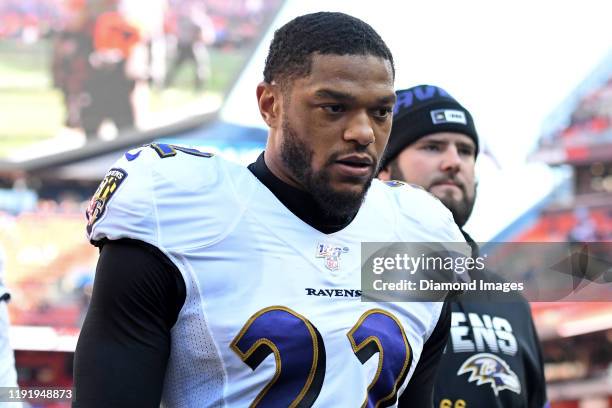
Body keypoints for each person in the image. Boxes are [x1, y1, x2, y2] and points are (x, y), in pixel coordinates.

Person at [74, 13, 469, 407]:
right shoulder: (180, 211)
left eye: (381, 112)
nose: (363, 132)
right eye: (334, 107)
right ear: (270, 104)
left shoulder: (421, 232)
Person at [378, 85, 549, 407]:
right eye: (432, 147)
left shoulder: (510, 302)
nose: (454, 162)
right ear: (384, 169)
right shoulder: (345, 280)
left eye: (466, 151)